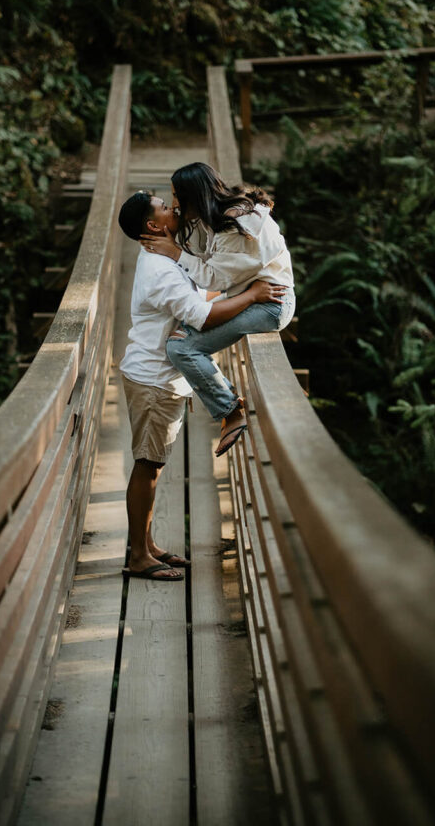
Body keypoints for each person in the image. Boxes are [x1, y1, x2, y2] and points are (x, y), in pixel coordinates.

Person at [117, 189, 286, 581]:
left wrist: (240, 289)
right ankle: (139, 557)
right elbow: (202, 316)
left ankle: (147, 545)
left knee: (152, 464)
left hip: (159, 377)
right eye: (164, 206)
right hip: (153, 379)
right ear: (153, 225)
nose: (173, 206)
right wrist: (253, 295)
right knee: (148, 465)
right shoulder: (159, 269)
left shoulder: (164, 257)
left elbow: (198, 295)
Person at [140, 162, 295, 457]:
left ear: (193, 196)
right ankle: (228, 407)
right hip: (253, 295)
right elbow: (212, 267)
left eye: (176, 196)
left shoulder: (236, 226)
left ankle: (230, 410)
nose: (173, 205)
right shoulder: (222, 216)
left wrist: (173, 252)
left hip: (270, 304)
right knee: (179, 338)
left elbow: (214, 277)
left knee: (182, 348)